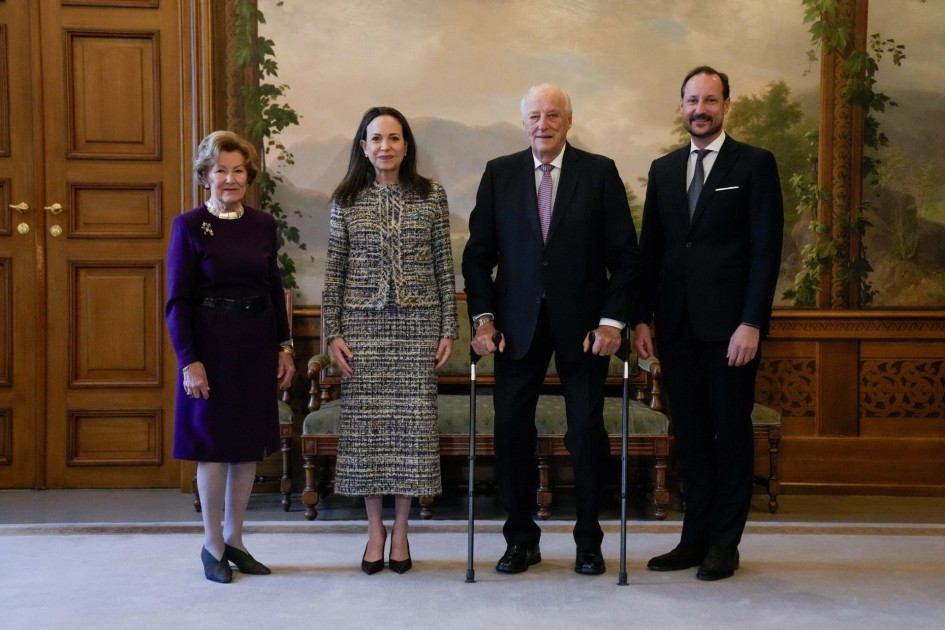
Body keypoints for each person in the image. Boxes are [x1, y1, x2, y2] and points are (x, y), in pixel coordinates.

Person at [462, 84, 639, 576]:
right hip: (515, 328)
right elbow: (478, 258)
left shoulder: (599, 173)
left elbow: (625, 257)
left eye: (553, 115)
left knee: (585, 432)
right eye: (535, 116)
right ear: (524, 123)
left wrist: (610, 322)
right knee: (511, 432)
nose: (543, 124)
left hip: (585, 328)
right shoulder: (499, 174)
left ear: (569, 120)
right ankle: (521, 539)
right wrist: (483, 320)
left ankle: (589, 540)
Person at [632, 66, 784, 581]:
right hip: (674, 327)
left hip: (731, 331)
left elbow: (766, 251)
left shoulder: (756, 165)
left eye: (711, 100)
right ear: (681, 106)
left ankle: (725, 543)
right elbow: (651, 250)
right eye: (692, 100)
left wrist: (752, 322)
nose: (701, 109)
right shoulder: (664, 168)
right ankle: (692, 539)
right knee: (690, 435)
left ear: (726, 106)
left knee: (730, 433)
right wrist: (640, 318)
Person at [323, 106, 457, 575]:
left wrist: (448, 329)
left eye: (394, 138)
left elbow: (445, 266)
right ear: (363, 146)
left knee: (412, 437)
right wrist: (332, 333)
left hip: (418, 329)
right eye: (376, 138)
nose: (385, 146)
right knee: (368, 439)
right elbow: (334, 272)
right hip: (362, 331)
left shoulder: (430, 196)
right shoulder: (345, 199)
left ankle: (402, 531)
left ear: (406, 145)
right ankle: (374, 529)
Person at [166, 130, 296, 583]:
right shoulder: (188, 225)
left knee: (246, 450)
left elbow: (272, 287)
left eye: (238, 170)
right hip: (210, 346)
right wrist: (189, 360)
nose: (230, 178)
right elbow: (177, 302)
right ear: (206, 175)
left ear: (248, 176)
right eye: (220, 169)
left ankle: (236, 541)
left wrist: (285, 346)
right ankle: (211, 546)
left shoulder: (262, 224)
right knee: (214, 449)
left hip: (255, 345)